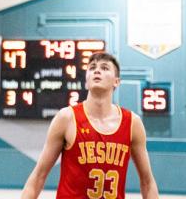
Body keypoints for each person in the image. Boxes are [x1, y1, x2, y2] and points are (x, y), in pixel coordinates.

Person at [20, 52, 158, 199]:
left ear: (116, 81)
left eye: (104, 68)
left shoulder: (132, 123)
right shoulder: (67, 118)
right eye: (92, 68)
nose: (97, 70)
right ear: (86, 81)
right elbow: (38, 176)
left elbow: (147, 182)